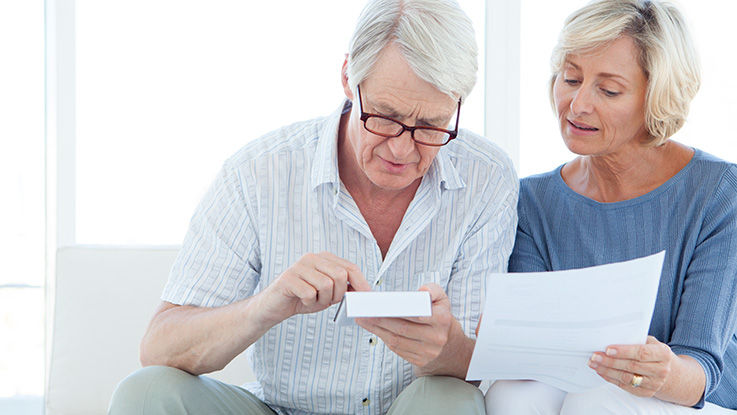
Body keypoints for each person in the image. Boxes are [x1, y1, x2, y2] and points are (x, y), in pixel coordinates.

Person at [108, 0, 519, 414]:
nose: (401, 148)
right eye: (384, 116)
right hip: (278, 408)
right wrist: (263, 307)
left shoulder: (486, 178)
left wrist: (448, 349)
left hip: (410, 408)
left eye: (430, 126)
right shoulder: (258, 173)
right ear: (347, 78)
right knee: (147, 392)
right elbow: (159, 347)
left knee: (451, 399)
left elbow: (480, 370)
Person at [484, 0, 737, 414]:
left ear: (656, 97)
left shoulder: (719, 193)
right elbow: (537, 358)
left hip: (696, 398)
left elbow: (701, 370)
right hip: (579, 384)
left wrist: (663, 372)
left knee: (599, 402)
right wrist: (507, 340)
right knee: (511, 395)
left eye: (609, 89)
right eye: (570, 78)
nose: (578, 104)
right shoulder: (532, 201)